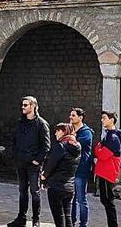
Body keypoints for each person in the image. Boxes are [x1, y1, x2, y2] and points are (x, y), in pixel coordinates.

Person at [7, 96, 50, 227]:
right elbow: (15, 139)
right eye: (23, 105)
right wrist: (16, 154)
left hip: (33, 165)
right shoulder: (20, 122)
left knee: (34, 191)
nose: (23, 107)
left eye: (26, 105)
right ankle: (21, 218)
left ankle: (36, 220)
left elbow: (46, 146)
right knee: (22, 190)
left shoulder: (41, 124)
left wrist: (38, 160)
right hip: (21, 162)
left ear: (33, 106)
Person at [41, 123, 81, 227]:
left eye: (58, 131)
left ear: (64, 132)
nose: (55, 133)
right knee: (67, 217)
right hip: (70, 188)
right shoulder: (77, 147)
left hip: (56, 186)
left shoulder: (61, 146)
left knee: (59, 219)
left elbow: (51, 163)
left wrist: (44, 176)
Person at [94, 111, 121, 227]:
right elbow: (99, 150)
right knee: (105, 200)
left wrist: (98, 148)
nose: (102, 120)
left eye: (104, 118)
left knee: (108, 200)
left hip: (108, 172)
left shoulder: (113, 137)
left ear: (111, 120)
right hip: (104, 172)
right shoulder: (109, 135)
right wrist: (99, 149)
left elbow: (101, 154)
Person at [69, 108, 94, 227]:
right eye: (70, 115)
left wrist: (70, 137)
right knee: (71, 198)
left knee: (81, 198)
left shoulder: (86, 132)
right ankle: (71, 221)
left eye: (73, 115)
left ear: (80, 117)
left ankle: (83, 224)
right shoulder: (71, 130)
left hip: (82, 169)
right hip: (72, 168)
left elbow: (77, 144)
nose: (71, 117)